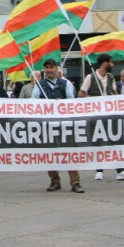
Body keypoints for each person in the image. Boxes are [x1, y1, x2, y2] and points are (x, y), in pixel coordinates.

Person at [79, 54, 124, 181]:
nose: (113, 65)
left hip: (110, 114)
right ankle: (99, 170)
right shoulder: (90, 77)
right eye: (111, 62)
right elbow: (81, 94)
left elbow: (114, 93)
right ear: (105, 63)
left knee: (114, 141)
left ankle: (120, 170)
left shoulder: (111, 77)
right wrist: (95, 100)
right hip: (96, 115)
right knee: (98, 142)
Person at [37, 59, 84, 193]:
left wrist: (61, 103)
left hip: (65, 124)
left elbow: (72, 102)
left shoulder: (65, 84)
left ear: (57, 69)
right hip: (48, 124)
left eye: (51, 67)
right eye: (47, 68)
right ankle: (54, 180)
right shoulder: (40, 85)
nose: (49, 70)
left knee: (69, 152)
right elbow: (33, 102)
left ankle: (75, 182)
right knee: (50, 153)